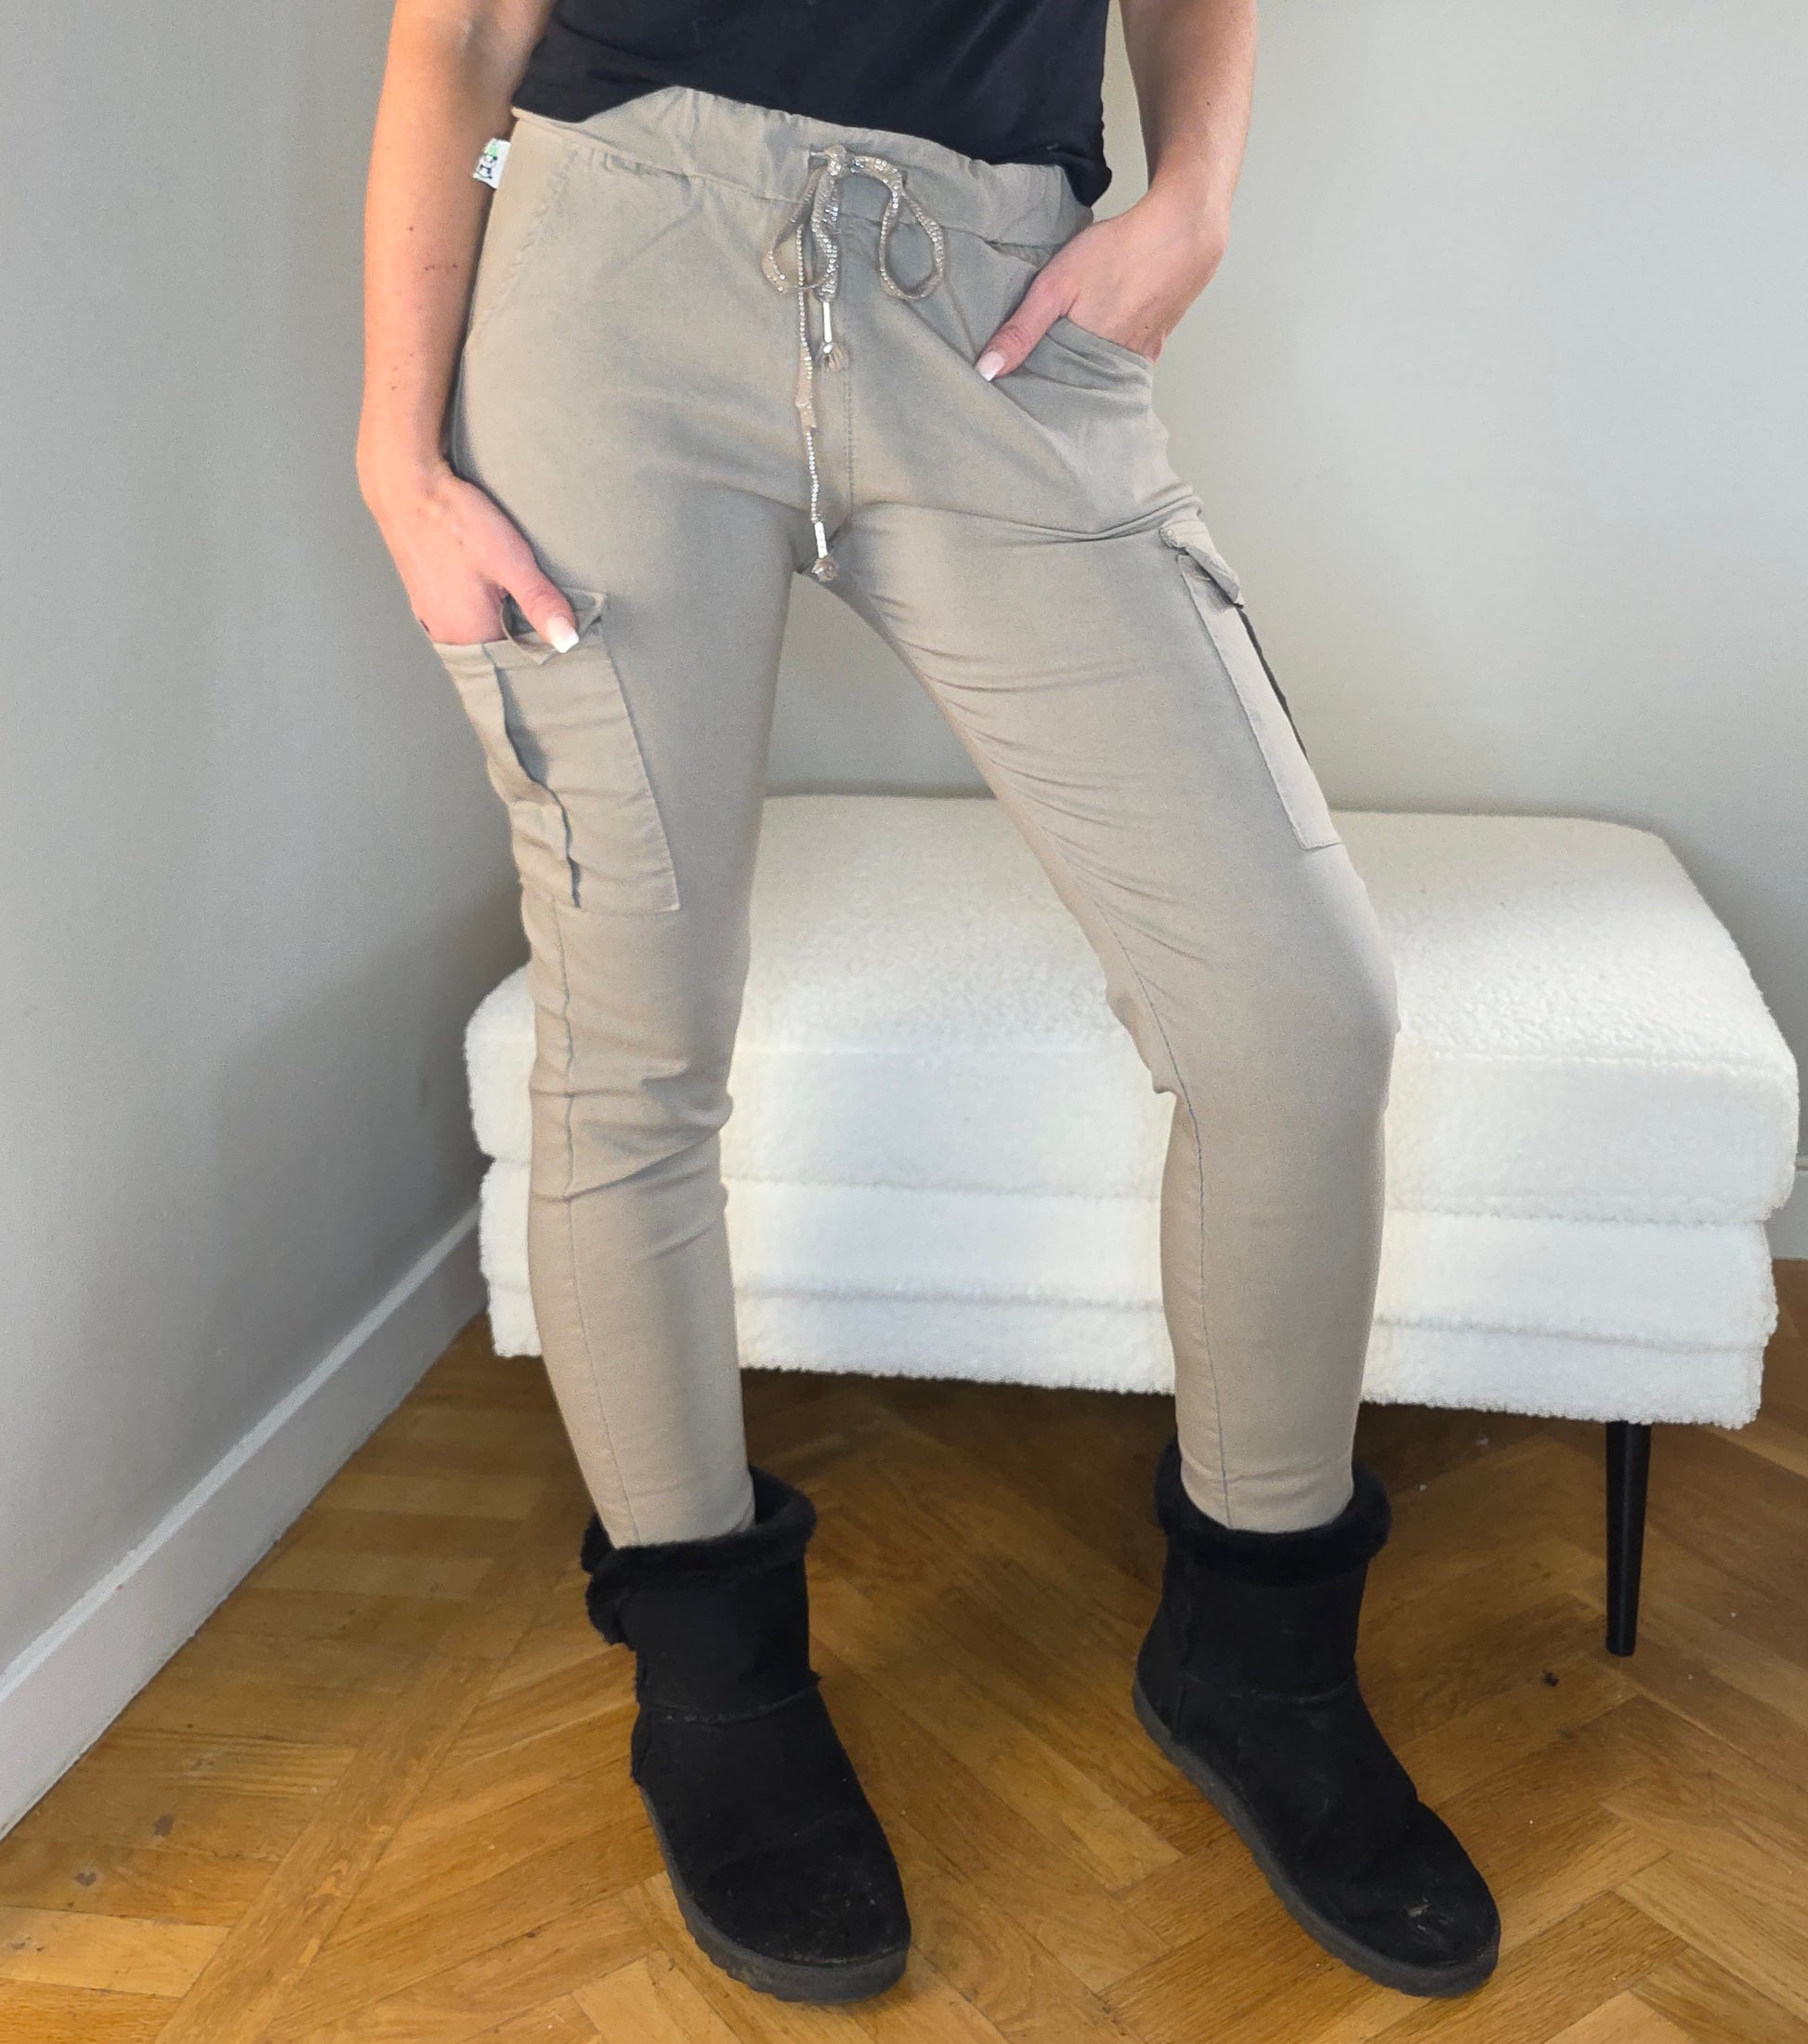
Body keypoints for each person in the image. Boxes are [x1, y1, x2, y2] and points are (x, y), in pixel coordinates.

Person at [360, 0, 1500, 2007]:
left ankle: (1256, 1655)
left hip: (994, 299)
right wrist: (396, 450)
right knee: (632, 1049)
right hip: (616, 286)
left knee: (1297, 1017)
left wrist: (1198, 194)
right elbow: (459, 24)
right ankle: (713, 1690)